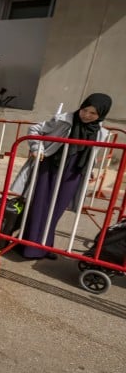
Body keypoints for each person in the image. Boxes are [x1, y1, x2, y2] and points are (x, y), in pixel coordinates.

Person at [11, 93, 112, 259]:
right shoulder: (64, 120)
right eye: (84, 110)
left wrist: (89, 169)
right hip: (51, 167)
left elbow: (90, 154)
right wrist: (37, 148)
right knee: (40, 206)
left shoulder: (101, 132)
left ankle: (45, 246)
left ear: (102, 114)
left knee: (56, 211)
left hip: (74, 173)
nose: (86, 115)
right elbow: (35, 130)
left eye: (93, 113)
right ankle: (28, 247)